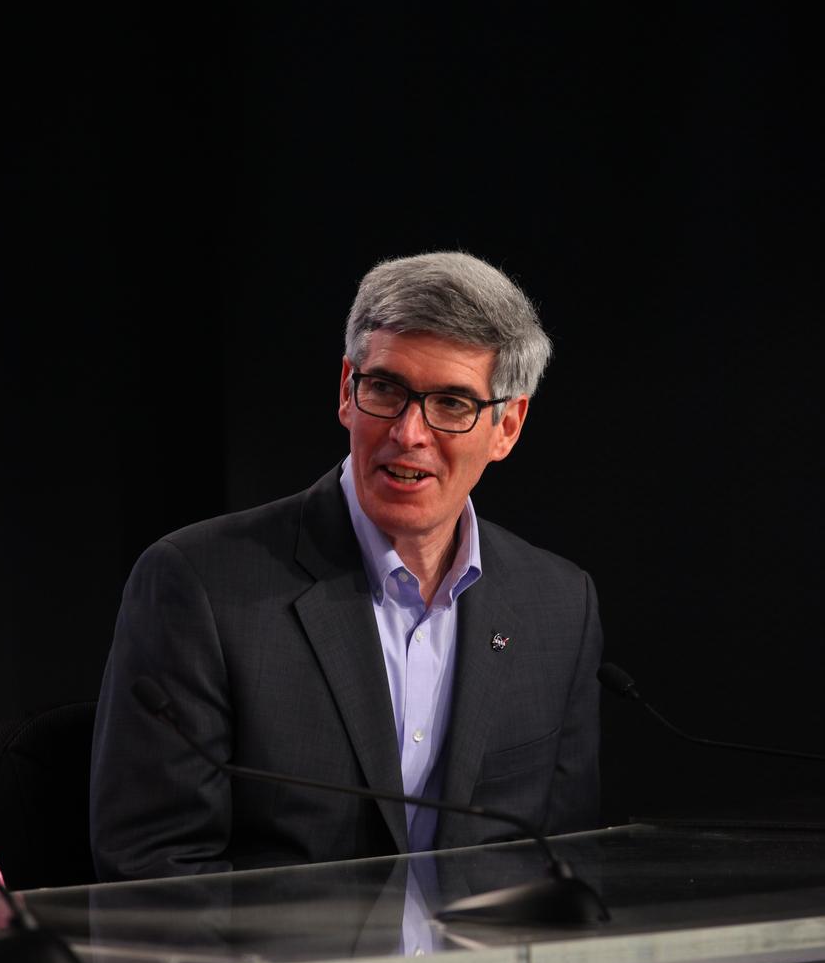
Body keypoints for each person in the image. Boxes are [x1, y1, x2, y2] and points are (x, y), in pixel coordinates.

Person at [90, 251, 603, 882]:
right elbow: (156, 870)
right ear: (346, 392)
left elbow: (563, 860)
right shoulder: (199, 585)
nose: (409, 433)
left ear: (507, 427)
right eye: (385, 389)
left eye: (450, 403)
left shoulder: (559, 604)